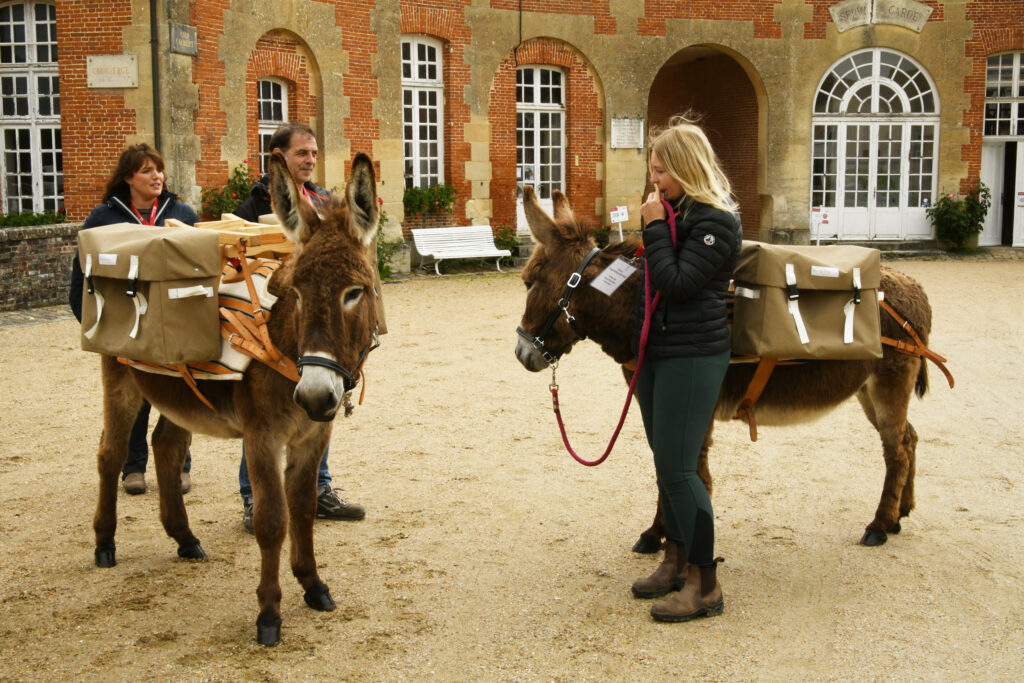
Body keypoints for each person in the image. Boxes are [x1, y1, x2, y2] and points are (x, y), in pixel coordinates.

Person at [629, 115, 742, 622]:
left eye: (661, 172)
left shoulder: (715, 220)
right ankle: (674, 561)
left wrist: (653, 227)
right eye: (652, 171)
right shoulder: (678, 213)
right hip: (661, 353)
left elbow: (676, 283)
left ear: (685, 168)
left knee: (680, 467)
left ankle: (705, 584)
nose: (654, 180)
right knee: (664, 461)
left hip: (694, 356)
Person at [232, 122, 369, 533]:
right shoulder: (253, 204)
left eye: (313, 153)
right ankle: (253, 498)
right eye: (300, 154)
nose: (309, 160)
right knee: (262, 413)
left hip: (315, 322)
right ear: (279, 157)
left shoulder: (326, 202)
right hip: (269, 322)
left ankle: (319, 488)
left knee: (319, 410)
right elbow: (239, 264)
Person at [69, 143, 198, 496]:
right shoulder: (104, 218)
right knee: (132, 399)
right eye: (146, 170)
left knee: (178, 395)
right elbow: (82, 276)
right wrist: (96, 328)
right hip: (127, 324)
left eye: (158, 169)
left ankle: (180, 465)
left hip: (175, 325)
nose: (156, 176)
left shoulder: (182, 213)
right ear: (128, 178)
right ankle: (133, 467)